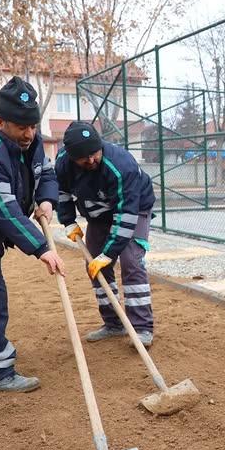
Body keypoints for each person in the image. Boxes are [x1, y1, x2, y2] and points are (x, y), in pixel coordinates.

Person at [0, 76, 65, 392]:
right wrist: (41, 247)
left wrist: (47, 200)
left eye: (33, 126)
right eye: (22, 127)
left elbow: (45, 172)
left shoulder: (31, 143)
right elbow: (4, 208)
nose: (30, 133)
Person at [56, 122, 156, 348]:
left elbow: (126, 215)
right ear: (71, 157)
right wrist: (68, 221)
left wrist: (109, 253)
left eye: (94, 153)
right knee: (94, 265)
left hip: (134, 208)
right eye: (83, 158)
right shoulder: (63, 164)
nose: (91, 160)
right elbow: (61, 192)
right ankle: (114, 324)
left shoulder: (121, 165)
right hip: (99, 213)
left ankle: (141, 328)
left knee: (131, 261)